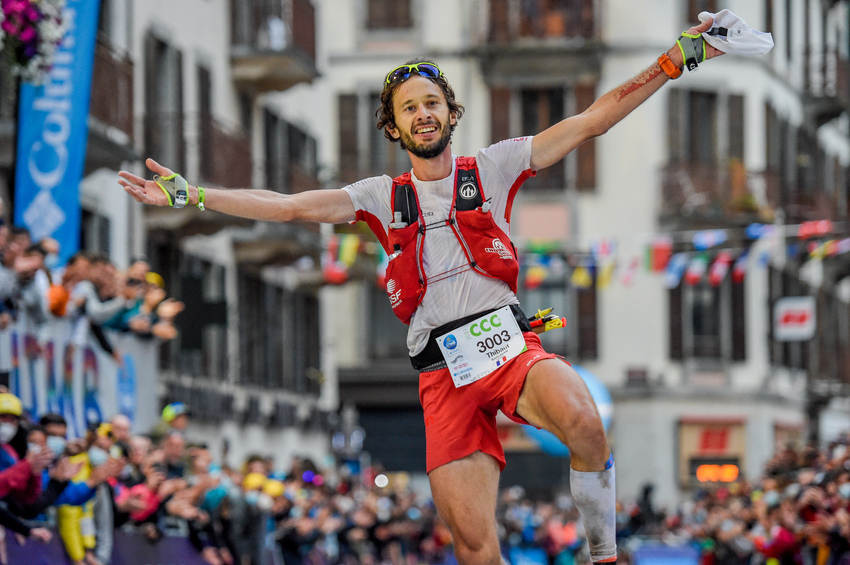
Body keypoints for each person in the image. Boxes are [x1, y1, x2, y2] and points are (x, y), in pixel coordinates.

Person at [119, 19, 724, 564]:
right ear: (395, 125)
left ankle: (603, 554)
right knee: (475, 549)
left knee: (586, 423)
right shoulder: (380, 197)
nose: (424, 113)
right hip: (442, 374)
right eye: (410, 108)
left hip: (510, 348)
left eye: (432, 102)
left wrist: (678, 56)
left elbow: (595, 118)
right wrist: (194, 195)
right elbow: (289, 207)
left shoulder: (496, 167)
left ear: (451, 113)